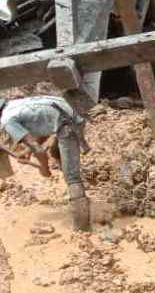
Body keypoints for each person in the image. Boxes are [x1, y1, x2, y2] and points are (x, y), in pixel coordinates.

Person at [0, 95, 91, 229]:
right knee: (55, 152)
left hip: (67, 125)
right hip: (74, 112)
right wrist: (28, 150)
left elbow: (39, 151)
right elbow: (45, 122)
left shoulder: (7, 120)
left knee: (71, 177)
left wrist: (44, 168)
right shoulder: (16, 104)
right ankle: (73, 172)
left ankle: (83, 227)